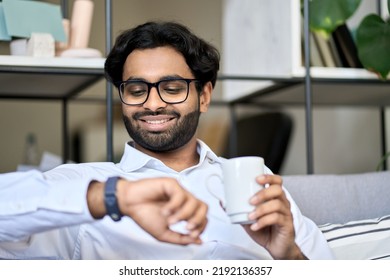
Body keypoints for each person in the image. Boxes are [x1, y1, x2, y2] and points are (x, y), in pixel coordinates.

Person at [0, 21, 333, 260]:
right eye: (136, 90)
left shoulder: (260, 192)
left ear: (204, 96)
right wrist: (114, 196)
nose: (153, 103)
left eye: (172, 88)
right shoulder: (84, 185)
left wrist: (289, 258)